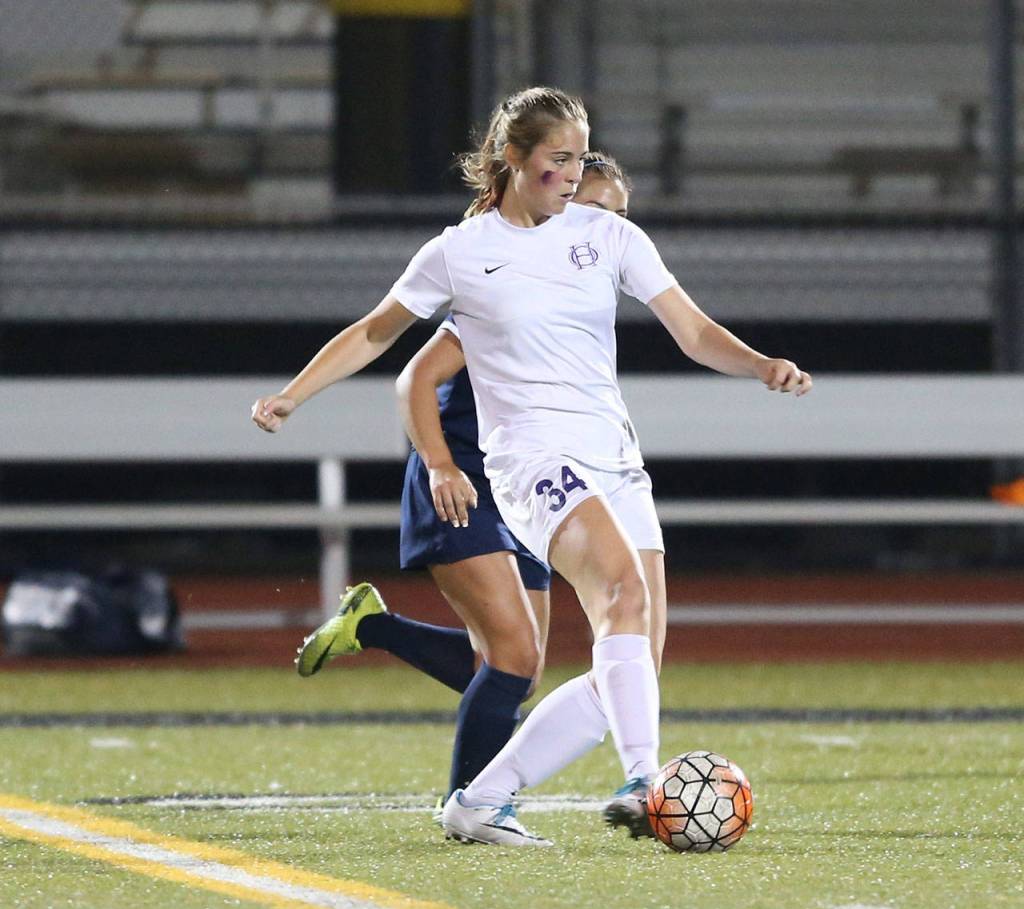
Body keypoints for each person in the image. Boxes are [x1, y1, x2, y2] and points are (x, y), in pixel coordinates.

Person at [252, 86, 811, 848]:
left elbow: (692, 329)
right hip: (530, 461)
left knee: (632, 655)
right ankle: (645, 780)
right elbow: (377, 335)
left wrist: (759, 364)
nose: (574, 174)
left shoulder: (608, 235)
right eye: (558, 159)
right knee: (616, 592)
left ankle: (480, 800)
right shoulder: (460, 251)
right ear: (512, 159)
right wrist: (293, 395)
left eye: (581, 156)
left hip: (616, 459)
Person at [292, 152, 635, 808]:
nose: (608, 231)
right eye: (594, 212)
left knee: (519, 669)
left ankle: (374, 628)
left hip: (528, 490)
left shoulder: (587, 301)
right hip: (464, 481)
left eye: (619, 217)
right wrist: (442, 466)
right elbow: (415, 377)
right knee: (512, 652)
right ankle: (473, 804)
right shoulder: (504, 283)